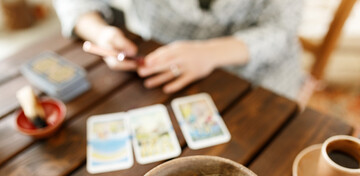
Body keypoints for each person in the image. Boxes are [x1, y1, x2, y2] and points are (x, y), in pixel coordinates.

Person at [53, 0, 304, 99]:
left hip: (258, 68)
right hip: (159, 62)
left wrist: (210, 53)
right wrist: (101, 32)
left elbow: (282, 29)